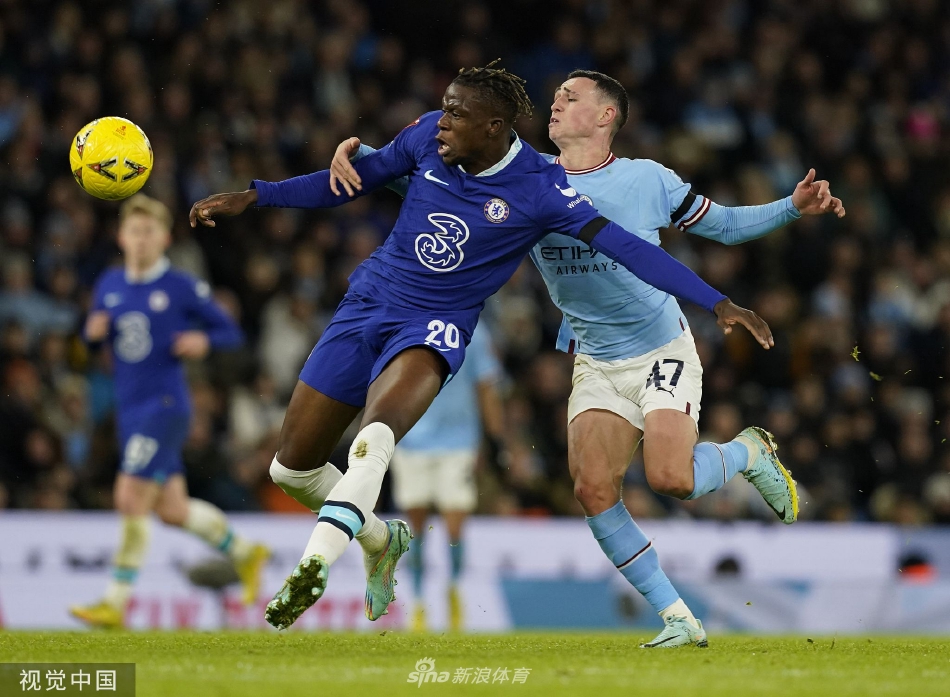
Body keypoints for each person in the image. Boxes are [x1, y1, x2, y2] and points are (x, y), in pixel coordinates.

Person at [188, 62, 773, 632]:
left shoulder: (542, 189)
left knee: (374, 441)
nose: (440, 121)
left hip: (436, 326)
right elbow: (354, 181)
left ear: (493, 127)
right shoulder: (427, 137)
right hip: (367, 304)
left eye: (455, 114)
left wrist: (717, 301)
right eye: (443, 109)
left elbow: (628, 248)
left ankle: (313, 565)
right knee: (290, 471)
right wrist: (256, 196)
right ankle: (381, 539)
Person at [328, 69, 845, 647]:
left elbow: (723, 225)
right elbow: (425, 186)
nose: (554, 104)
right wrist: (361, 157)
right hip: (594, 359)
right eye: (554, 96)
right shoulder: (526, 177)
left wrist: (791, 207)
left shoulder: (647, 179)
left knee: (671, 479)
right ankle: (678, 617)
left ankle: (748, 451)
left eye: (569, 98)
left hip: (659, 349)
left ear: (605, 116)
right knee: (593, 492)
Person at [70, 194, 270, 629]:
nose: (141, 239)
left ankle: (115, 602)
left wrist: (203, 340)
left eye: (150, 231)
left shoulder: (179, 286)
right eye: (134, 231)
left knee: (129, 496)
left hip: (165, 406)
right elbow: (89, 342)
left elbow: (230, 331)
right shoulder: (109, 283)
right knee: (172, 510)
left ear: (164, 238)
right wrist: (90, 335)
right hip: (129, 409)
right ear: (122, 237)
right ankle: (245, 553)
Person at [391, 321, 505, 631]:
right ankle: (417, 602)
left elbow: (485, 385)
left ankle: (453, 590)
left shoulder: (475, 331)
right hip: (410, 439)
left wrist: (495, 440)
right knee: (415, 530)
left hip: (459, 442)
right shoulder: (407, 323)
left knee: (454, 526)